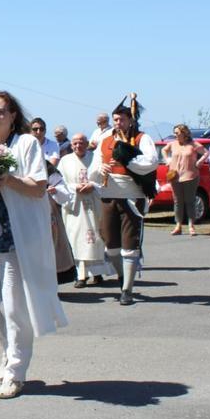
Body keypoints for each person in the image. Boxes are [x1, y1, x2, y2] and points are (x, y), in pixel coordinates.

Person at [0, 91, 67, 400]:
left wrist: (7, 180)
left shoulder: (26, 144)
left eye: (0, 112)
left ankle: (16, 371)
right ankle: (8, 346)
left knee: (15, 307)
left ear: (12, 116)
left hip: (14, 238)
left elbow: (38, 188)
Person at [88, 95, 157, 306]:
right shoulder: (106, 140)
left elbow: (151, 162)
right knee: (111, 246)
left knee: (130, 245)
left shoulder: (141, 138)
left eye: (122, 119)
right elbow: (93, 169)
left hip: (131, 196)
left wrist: (128, 159)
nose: (118, 123)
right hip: (108, 196)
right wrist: (100, 169)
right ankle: (121, 276)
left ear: (130, 120)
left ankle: (127, 289)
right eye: (116, 119)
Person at [57, 134, 113, 287]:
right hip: (75, 206)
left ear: (87, 143)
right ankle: (81, 275)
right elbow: (59, 183)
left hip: (94, 203)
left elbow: (105, 179)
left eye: (81, 143)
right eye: (75, 143)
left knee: (97, 237)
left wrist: (93, 185)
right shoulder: (65, 161)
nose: (78, 146)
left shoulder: (96, 158)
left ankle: (98, 273)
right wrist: (75, 188)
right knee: (77, 238)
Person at [163, 124, 208, 236]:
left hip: (190, 176)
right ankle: (178, 225)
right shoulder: (173, 144)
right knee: (177, 202)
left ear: (184, 133)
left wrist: (200, 161)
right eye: (175, 133)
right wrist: (167, 159)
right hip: (175, 177)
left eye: (177, 133)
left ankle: (191, 225)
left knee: (190, 201)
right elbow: (164, 150)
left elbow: (206, 152)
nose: (175, 135)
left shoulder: (193, 144)